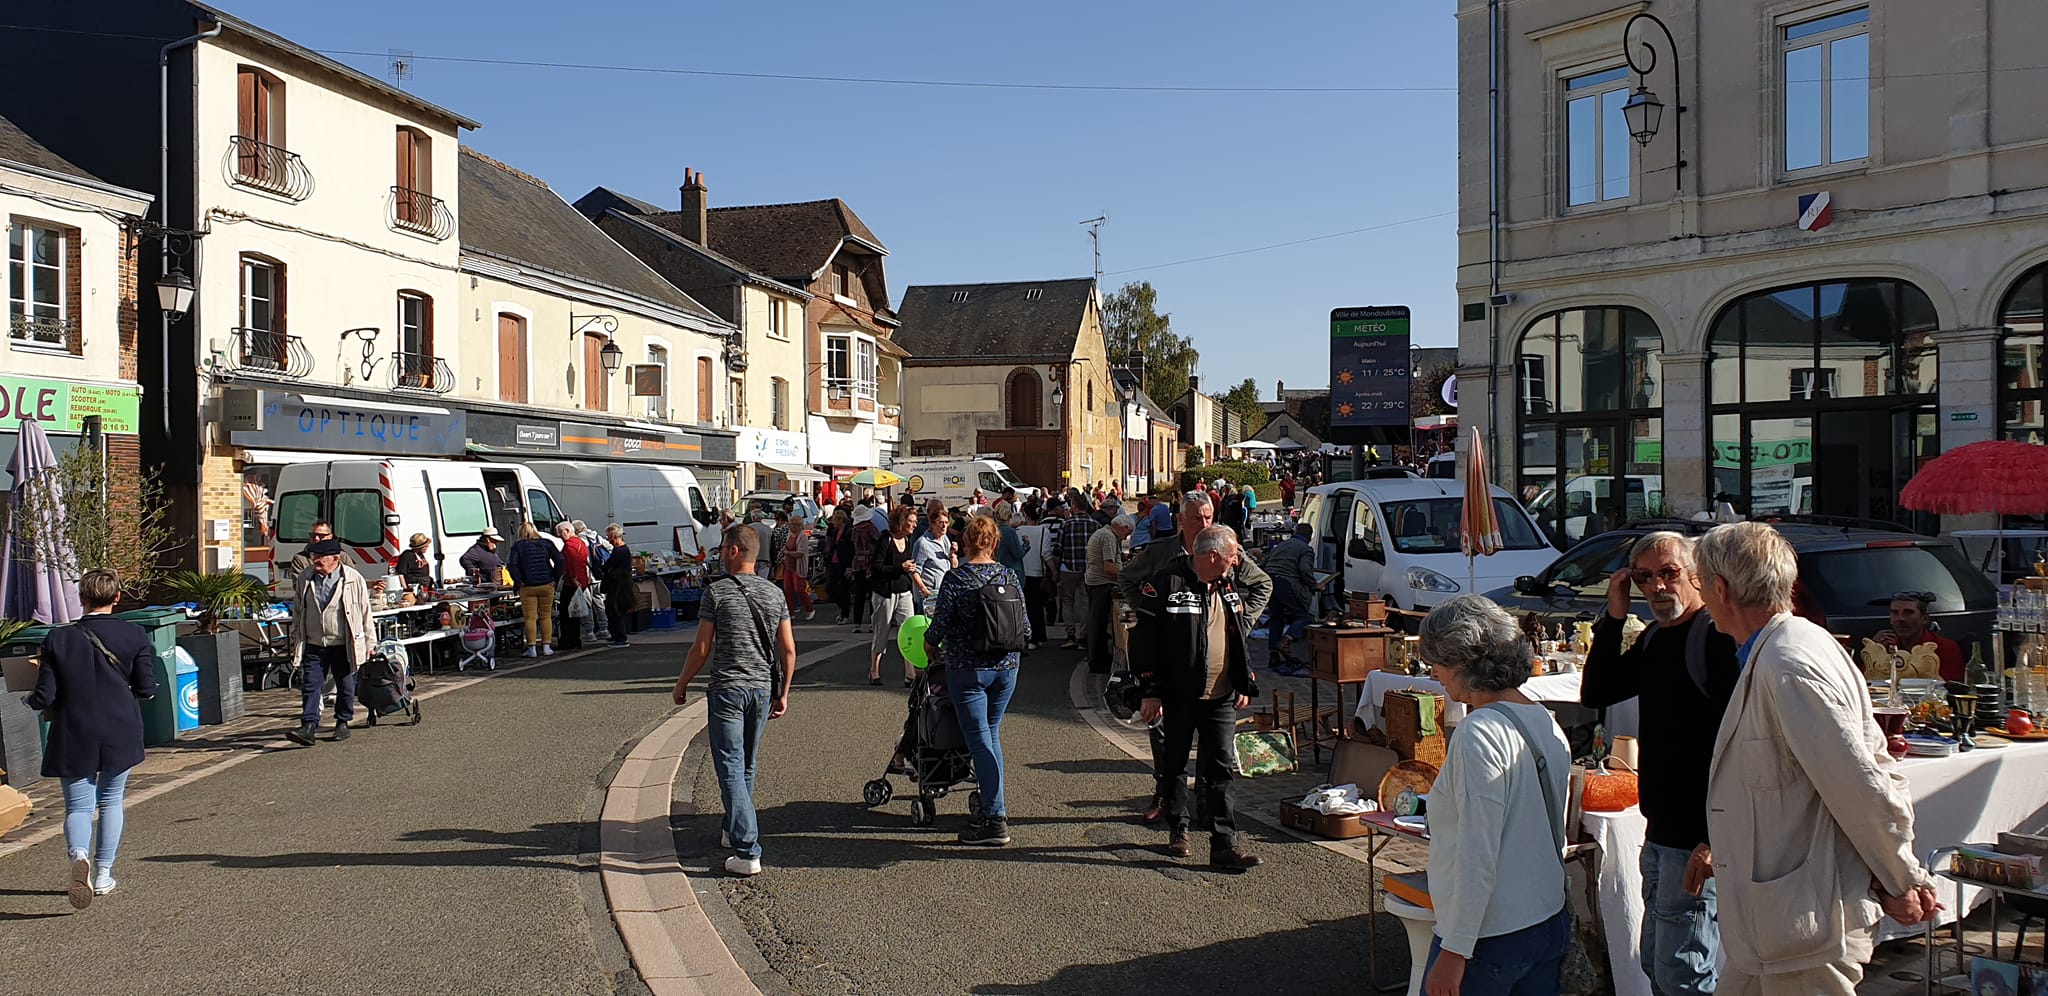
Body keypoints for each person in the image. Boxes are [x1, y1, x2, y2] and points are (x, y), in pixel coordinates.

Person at [1691, 523, 1940, 994]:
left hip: (1804, 924)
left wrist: (1900, 876)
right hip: (1775, 922)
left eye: (1702, 585)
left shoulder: (1789, 662)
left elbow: (1860, 783)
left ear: (1720, 588)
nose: (1702, 599)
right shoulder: (1782, 649)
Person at [1580, 532, 1740, 996]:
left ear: (1696, 576)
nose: (1657, 587)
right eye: (1645, 578)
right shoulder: (1654, 638)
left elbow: (1742, 745)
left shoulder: (1713, 637)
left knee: (1683, 974)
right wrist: (1614, 613)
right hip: (1661, 833)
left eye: (1668, 574)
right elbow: (1597, 692)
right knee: (1657, 964)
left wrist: (1714, 839)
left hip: (1696, 839)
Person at [1415, 595, 1574, 996]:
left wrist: (1454, 950)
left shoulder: (1478, 733)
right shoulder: (1545, 720)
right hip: (1545, 918)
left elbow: (1476, 854)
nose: (1432, 671)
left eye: (1436, 660)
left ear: (1463, 662)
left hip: (1490, 937)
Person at [23, 569, 157, 908]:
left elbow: (45, 694)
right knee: (111, 801)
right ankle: (102, 874)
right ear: (117, 597)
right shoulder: (135, 634)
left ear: (82, 598)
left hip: (74, 728)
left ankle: (78, 855)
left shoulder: (58, 638)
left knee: (78, 805)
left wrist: (28, 699)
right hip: (120, 726)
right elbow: (145, 688)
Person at [1132, 526, 1261, 871]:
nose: (1237, 560)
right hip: (1178, 693)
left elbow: (1236, 633)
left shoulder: (1228, 584)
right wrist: (1151, 690)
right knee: (1174, 764)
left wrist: (1243, 678)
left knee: (1221, 767)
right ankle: (1179, 829)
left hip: (1221, 695)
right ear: (1213, 555)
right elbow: (1144, 639)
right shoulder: (1166, 583)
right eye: (1233, 554)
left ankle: (1224, 843)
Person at [672, 525, 796, 877]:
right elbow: (788, 649)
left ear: (735, 551)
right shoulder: (775, 594)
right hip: (760, 689)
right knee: (746, 765)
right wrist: (784, 692)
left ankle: (748, 847)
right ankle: (731, 829)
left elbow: (701, 648)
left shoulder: (717, 593)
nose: (721, 553)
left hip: (727, 687)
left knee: (728, 764)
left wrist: (682, 683)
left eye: (724, 547)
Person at [924, 513, 1022, 846]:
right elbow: (1026, 627)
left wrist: (930, 649)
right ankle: (992, 808)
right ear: (995, 543)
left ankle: (996, 819)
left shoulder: (956, 579)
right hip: (1007, 666)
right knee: (991, 737)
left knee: (980, 741)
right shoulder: (1008, 575)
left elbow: (937, 629)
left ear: (965, 542)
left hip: (968, 669)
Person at [286, 537, 374, 746]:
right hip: (314, 643)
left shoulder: (353, 579)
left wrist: (370, 644)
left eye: (319, 557)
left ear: (334, 558)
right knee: (311, 685)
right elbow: (298, 611)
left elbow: (365, 613)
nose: (315, 560)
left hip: (344, 643)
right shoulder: (305, 578)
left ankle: (342, 721)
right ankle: (308, 725)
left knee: (345, 686)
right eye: (313, 556)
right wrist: (295, 639)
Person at [867, 504, 922, 686]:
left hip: (904, 591)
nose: (914, 525)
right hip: (885, 592)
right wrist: (901, 567)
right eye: (911, 521)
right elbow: (877, 567)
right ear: (901, 522)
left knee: (910, 631)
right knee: (881, 631)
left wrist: (909, 570)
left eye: (915, 522)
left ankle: (910, 672)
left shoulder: (909, 540)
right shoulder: (886, 539)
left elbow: (906, 565)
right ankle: (874, 670)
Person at [1262, 523, 1317, 676]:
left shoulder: (1281, 545)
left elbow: (1263, 564)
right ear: (1309, 536)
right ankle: (1286, 641)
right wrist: (1314, 585)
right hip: (1286, 583)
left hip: (1270, 581)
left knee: (1276, 618)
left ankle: (1273, 656)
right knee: (1302, 616)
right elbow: (1305, 569)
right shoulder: (1306, 549)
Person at [1874, 591, 1965, 683]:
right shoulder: (1884, 646)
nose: (1900, 619)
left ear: (1924, 619)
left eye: (1908, 613)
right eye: (1895, 613)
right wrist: (1875, 651)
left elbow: (1952, 686)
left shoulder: (1945, 648)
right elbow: (1866, 682)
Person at [1085, 514, 1135, 674]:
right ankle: (1097, 661)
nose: (1126, 537)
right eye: (1127, 533)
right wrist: (1128, 575)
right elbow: (1109, 567)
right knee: (1098, 623)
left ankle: (1099, 657)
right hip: (1102, 583)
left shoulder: (1106, 534)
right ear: (1123, 527)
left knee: (1097, 622)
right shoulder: (1108, 537)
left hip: (1098, 582)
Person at [507, 522, 564, 657]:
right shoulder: (546, 543)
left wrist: (519, 581)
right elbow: (560, 560)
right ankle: (546, 646)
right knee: (546, 616)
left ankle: (532, 648)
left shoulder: (518, 546)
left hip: (527, 586)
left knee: (530, 618)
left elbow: (512, 564)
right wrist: (555, 578)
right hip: (546, 584)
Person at [1056, 500, 1096, 650]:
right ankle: (1083, 636)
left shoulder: (1066, 524)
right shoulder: (1095, 524)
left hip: (1068, 567)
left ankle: (1070, 635)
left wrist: (1055, 571)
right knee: (1086, 603)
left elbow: (1058, 548)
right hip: (1088, 568)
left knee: (1067, 601)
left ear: (1074, 507)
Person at [1015, 506, 1054, 651]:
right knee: (1037, 608)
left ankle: (1026, 637)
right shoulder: (1044, 531)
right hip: (1038, 573)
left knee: (1023, 608)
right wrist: (1053, 571)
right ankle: (1037, 637)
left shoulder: (1018, 531)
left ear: (1025, 515)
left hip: (1022, 573)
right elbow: (1046, 553)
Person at [912, 500, 955, 616]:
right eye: (940, 522)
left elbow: (954, 566)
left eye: (946, 522)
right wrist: (925, 591)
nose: (944, 526)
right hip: (929, 596)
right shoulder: (923, 543)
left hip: (943, 592)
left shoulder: (945, 539)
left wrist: (952, 554)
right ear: (932, 523)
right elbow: (915, 571)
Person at [553, 521, 591, 651]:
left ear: (567, 531)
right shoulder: (581, 543)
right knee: (575, 612)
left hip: (572, 582)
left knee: (565, 612)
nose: (559, 536)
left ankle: (567, 641)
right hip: (582, 580)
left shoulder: (569, 545)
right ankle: (575, 639)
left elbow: (572, 562)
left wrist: (574, 578)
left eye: (560, 533)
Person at [600, 525, 634, 648]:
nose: (608, 539)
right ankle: (616, 635)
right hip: (618, 585)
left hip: (620, 586)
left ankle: (621, 638)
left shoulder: (620, 551)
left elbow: (609, 565)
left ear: (614, 536)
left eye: (608, 536)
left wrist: (605, 569)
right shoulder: (620, 550)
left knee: (616, 610)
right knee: (611, 609)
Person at [849, 503, 880, 632]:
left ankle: (857, 623)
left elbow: (851, 547)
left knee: (859, 595)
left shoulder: (854, 530)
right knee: (872, 595)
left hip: (857, 564)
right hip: (870, 564)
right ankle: (872, 623)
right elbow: (877, 542)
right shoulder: (871, 528)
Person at [826, 507, 856, 624]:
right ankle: (843, 606)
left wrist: (850, 566)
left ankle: (845, 613)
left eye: (835, 520)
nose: (833, 522)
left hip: (844, 562)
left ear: (840, 520)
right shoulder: (834, 531)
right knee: (830, 587)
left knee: (844, 588)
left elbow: (850, 550)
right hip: (834, 561)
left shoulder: (848, 531)